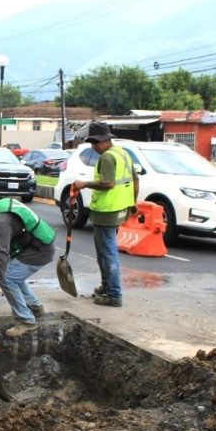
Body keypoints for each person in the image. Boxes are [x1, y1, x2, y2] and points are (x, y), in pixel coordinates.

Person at [0, 195, 55, 337]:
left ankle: (26, 321)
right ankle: (35, 306)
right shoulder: (1, 204)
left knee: (7, 278)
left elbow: (3, 254)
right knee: (14, 274)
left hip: (39, 251)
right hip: (40, 245)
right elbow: (10, 229)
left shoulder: (0, 221)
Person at [72, 121, 138, 307]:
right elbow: (134, 179)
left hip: (108, 209)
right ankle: (107, 285)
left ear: (106, 140)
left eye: (96, 143)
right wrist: (133, 202)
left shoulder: (108, 157)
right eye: (92, 143)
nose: (94, 146)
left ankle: (114, 294)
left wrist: (84, 184)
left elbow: (108, 184)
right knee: (103, 250)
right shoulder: (122, 153)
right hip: (120, 207)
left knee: (107, 252)